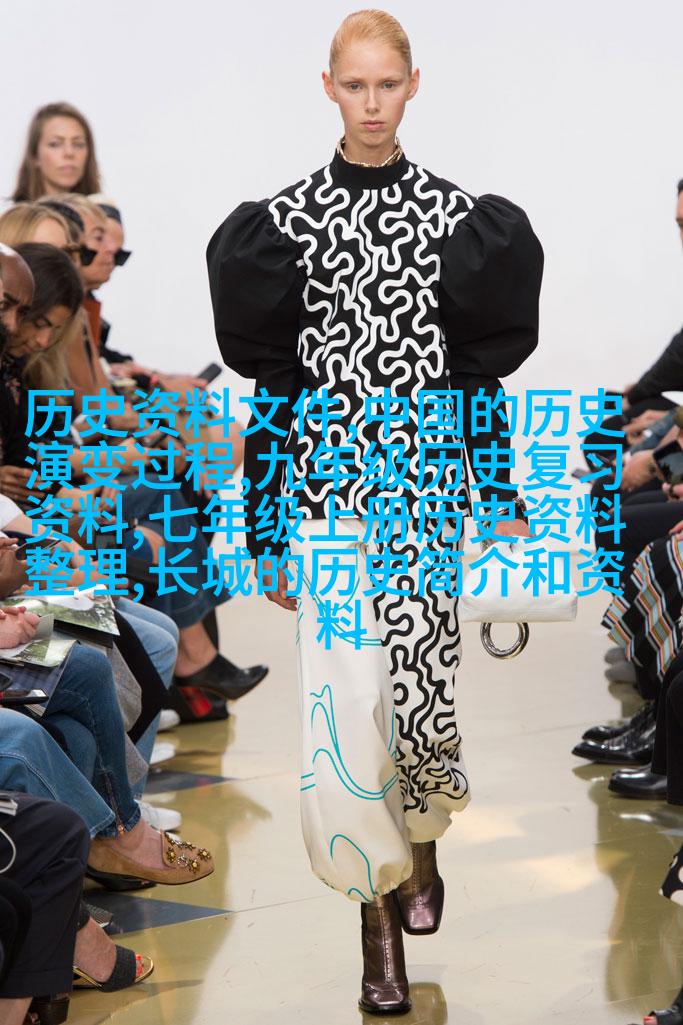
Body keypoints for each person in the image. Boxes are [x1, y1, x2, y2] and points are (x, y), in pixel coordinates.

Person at [207, 9, 543, 1015]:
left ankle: (422, 837)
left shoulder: (460, 223)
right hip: (324, 502)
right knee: (341, 720)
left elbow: (474, 376)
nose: (369, 103)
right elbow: (275, 388)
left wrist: (499, 492)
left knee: (420, 693)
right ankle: (375, 921)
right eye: (352, 85)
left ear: (412, 85)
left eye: (385, 84)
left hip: (426, 498)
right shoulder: (281, 226)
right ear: (327, 87)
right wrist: (265, 528)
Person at [12, 101, 101, 202]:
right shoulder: (17, 213)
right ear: (35, 155)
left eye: (78, 144)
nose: (69, 153)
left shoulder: (103, 209)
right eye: (55, 144)